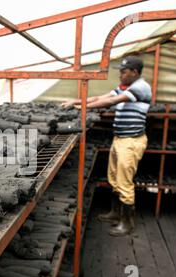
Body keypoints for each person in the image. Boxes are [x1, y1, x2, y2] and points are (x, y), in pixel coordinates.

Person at [61, 56, 151, 236]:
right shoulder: (125, 87)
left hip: (131, 142)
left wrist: (83, 108)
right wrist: (76, 102)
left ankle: (127, 223)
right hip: (120, 139)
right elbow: (101, 97)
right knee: (114, 177)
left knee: (124, 181)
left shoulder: (141, 87)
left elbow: (111, 102)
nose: (120, 75)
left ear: (135, 72)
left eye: (124, 72)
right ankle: (115, 213)